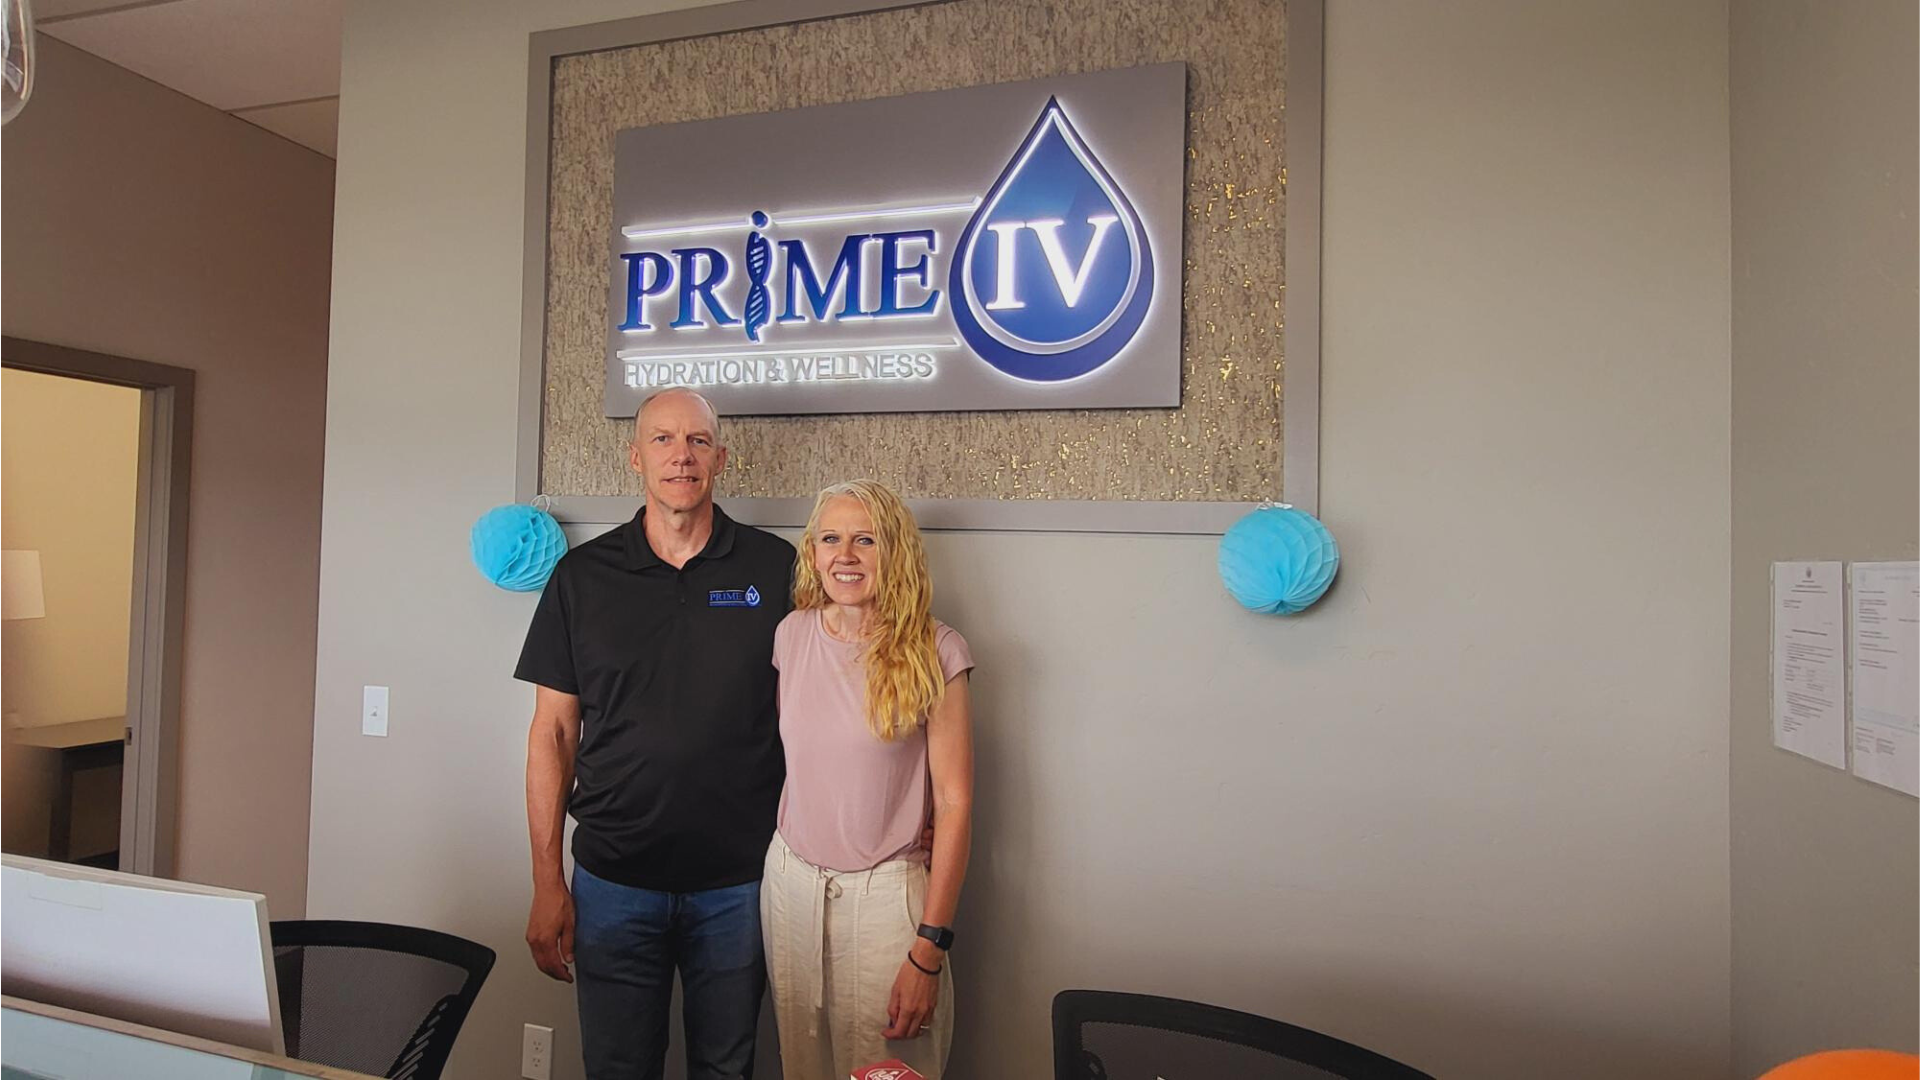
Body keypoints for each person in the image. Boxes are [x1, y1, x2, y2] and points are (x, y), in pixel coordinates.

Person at [516, 388, 793, 1080]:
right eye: (664, 440)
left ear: (720, 458)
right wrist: (549, 882)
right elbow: (552, 735)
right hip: (613, 880)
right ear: (635, 457)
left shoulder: (776, 570)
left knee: (726, 1068)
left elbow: (831, 709)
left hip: (740, 882)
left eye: (698, 440)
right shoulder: (581, 577)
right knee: (617, 1068)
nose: (682, 456)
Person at [761, 479, 976, 1080]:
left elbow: (955, 804)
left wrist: (928, 950)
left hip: (886, 901)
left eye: (865, 540)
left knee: (891, 1069)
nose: (845, 555)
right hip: (791, 886)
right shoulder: (790, 635)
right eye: (831, 539)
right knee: (801, 1065)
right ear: (813, 552)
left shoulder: (938, 650)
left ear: (896, 551)